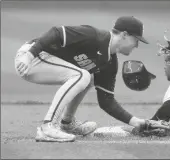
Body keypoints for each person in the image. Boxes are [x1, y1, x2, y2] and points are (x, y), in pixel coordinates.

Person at [14, 16, 158, 142]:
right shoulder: (94, 36)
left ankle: (67, 123)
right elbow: (56, 33)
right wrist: (29, 56)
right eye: (136, 40)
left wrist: (137, 122)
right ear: (125, 35)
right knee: (82, 75)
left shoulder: (109, 62)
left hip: (43, 61)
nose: (137, 45)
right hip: (33, 57)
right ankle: (48, 126)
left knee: (88, 78)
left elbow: (106, 101)